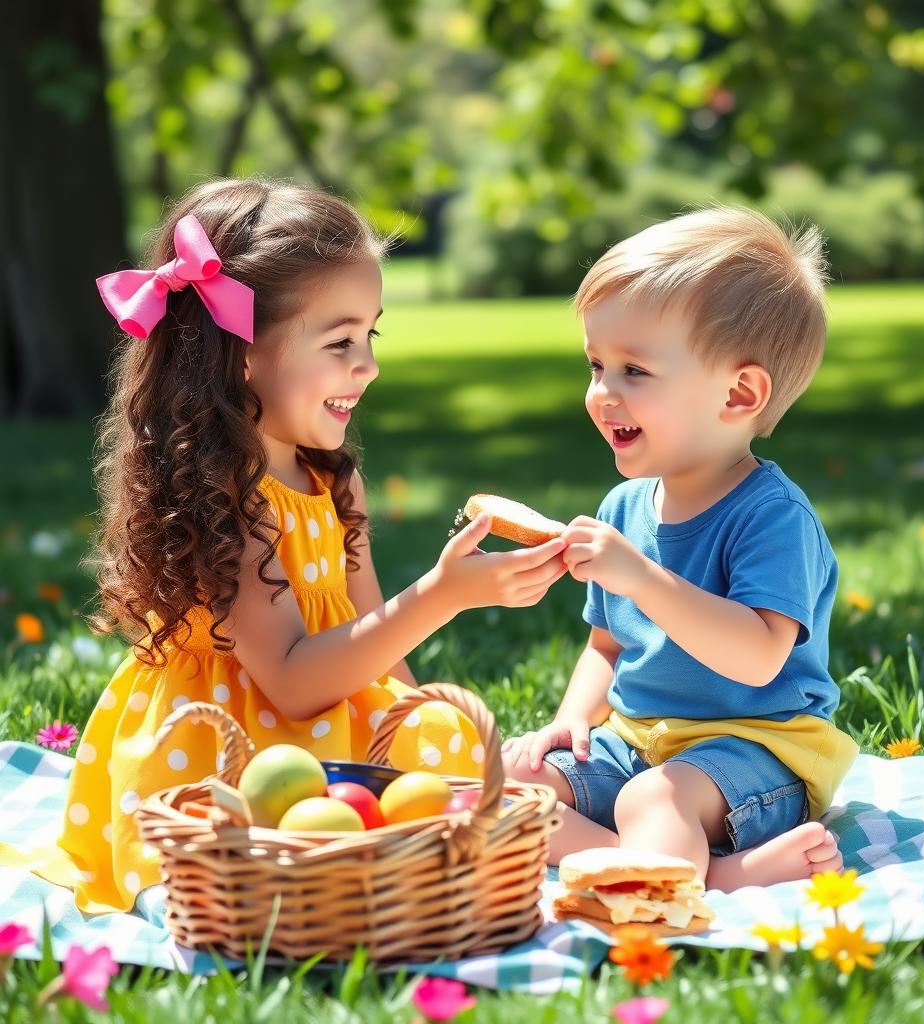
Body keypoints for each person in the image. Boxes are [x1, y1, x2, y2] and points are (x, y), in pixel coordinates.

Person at [9, 177, 566, 913]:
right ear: (241, 356)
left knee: (466, 754)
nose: (367, 365)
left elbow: (379, 649)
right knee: (307, 859)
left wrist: (421, 714)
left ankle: (636, 850)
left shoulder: (334, 479)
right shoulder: (226, 493)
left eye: (371, 336)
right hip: (229, 745)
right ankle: (649, 859)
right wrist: (445, 595)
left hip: (334, 715)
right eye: (340, 342)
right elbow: (293, 683)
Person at [502, 207, 858, 892]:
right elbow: (606, 647)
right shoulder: (624, 510)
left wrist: (640, 577)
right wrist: (570, 721)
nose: (603, 393)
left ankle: (701, 872)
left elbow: (756, 658)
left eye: (634, 370)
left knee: (651, 800)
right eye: (597, 364)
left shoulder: (771, 518)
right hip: (638, 741)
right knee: (505, 779)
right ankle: (687, 865)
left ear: (738, 393)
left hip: (756, 752)